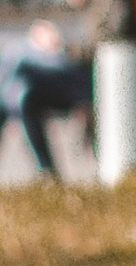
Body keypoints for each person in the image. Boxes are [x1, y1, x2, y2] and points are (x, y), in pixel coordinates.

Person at [0, 17, 91, 181]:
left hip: (68, 86)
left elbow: (80, 63)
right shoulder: (24, 52)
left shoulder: (69, 53)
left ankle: (47, 171)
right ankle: (47, 171)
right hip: (29, 90)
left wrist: (57, 47)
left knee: (21, 82)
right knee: (17, 89)